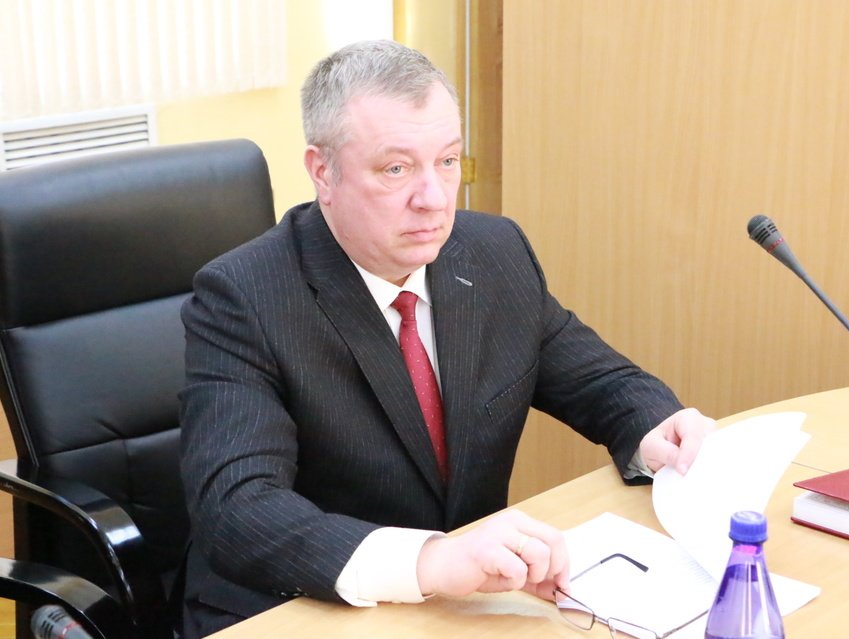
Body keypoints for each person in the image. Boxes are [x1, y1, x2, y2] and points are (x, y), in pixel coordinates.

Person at [178, 39, 714, 638]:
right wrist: (430, 560)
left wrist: (656, 427)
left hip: (463, 605)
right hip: (299, 607)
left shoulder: (494, 253)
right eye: (396, 169)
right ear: (323, 172)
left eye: (448, 161)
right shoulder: (244, 297)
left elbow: (597, 380)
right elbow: (239, 510)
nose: (433, 199)